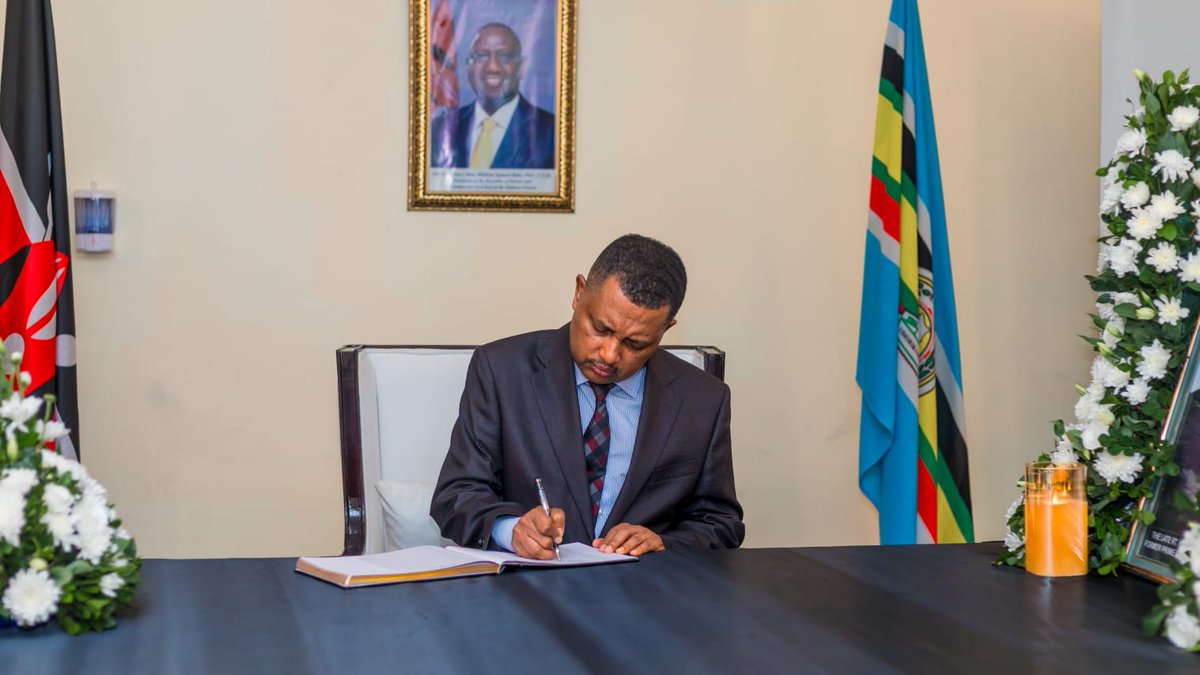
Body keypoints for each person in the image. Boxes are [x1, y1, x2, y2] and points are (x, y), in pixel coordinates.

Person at [431, 234, 745, 559]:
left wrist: (664, 543)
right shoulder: (502, 371)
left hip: (643, 594)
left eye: (635, 343)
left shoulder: (703, 399)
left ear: (666, 329)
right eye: (601, 329)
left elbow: (720, 523)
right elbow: (456, 495)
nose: (609, 355)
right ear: (579, 293)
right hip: (526, 591)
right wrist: (510, 530)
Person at [429, 22, 556, 170]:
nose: (492, 67)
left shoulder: (551, 132)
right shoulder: (440, 129)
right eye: (482, 56)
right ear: (469, 67)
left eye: (504, 56)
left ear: (521, 67)